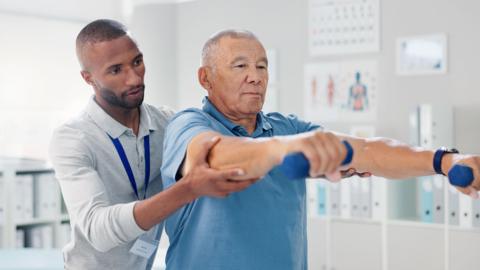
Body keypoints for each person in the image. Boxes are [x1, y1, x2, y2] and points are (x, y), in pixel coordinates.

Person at [160, 29, 480, 270]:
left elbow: (366, 150)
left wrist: (444, 161)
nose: (255, 77)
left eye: (262, 66)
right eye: (240, 66)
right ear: (206, 78)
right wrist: (286, 149)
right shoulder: (188, 124)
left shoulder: (287, 128)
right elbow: (213, 158)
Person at [48, 20, 255, 269]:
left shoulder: (167, 122)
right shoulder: (72, 138)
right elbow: (97, 230)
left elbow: (212, 147)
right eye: (116, 70)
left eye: (137, 62)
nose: (134, 79)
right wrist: (189, 189)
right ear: (88, 78)